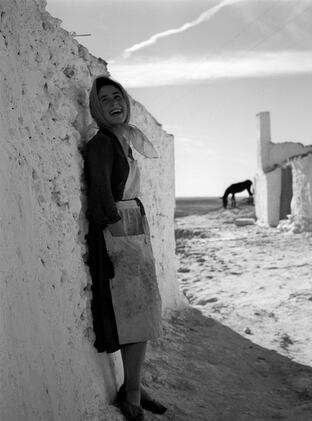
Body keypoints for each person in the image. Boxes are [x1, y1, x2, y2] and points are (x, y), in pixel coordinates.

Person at [84, 75, 167, 421]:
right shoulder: (102, 143)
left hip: (135, 228)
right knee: (133, 313)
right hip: (118, 235)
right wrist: (119, 232)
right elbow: (101, 194)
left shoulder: (125, 139)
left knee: (144, 311)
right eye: (105, 100)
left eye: (117, 96)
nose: (114, 103)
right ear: (96, 108)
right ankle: (130, 391)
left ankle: (134, 383)